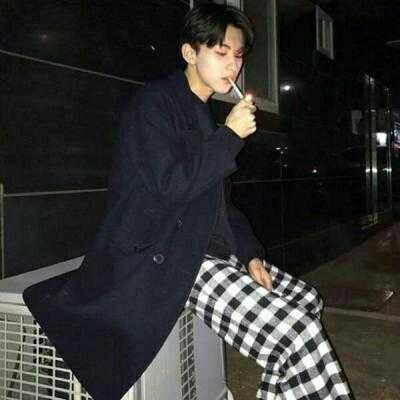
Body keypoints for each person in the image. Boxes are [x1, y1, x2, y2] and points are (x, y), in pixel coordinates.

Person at [23, 3, 353, 400]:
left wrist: (250, 254)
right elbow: (169, 188)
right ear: (189, 53)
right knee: (296, 333)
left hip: (206, 250)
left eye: (238, 55)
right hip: (168, 256)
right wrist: (229, 137)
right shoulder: (155, 105)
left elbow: (219, 203)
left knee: (306, 300)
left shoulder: (203, 115)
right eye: (220, 52)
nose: (233, 65)